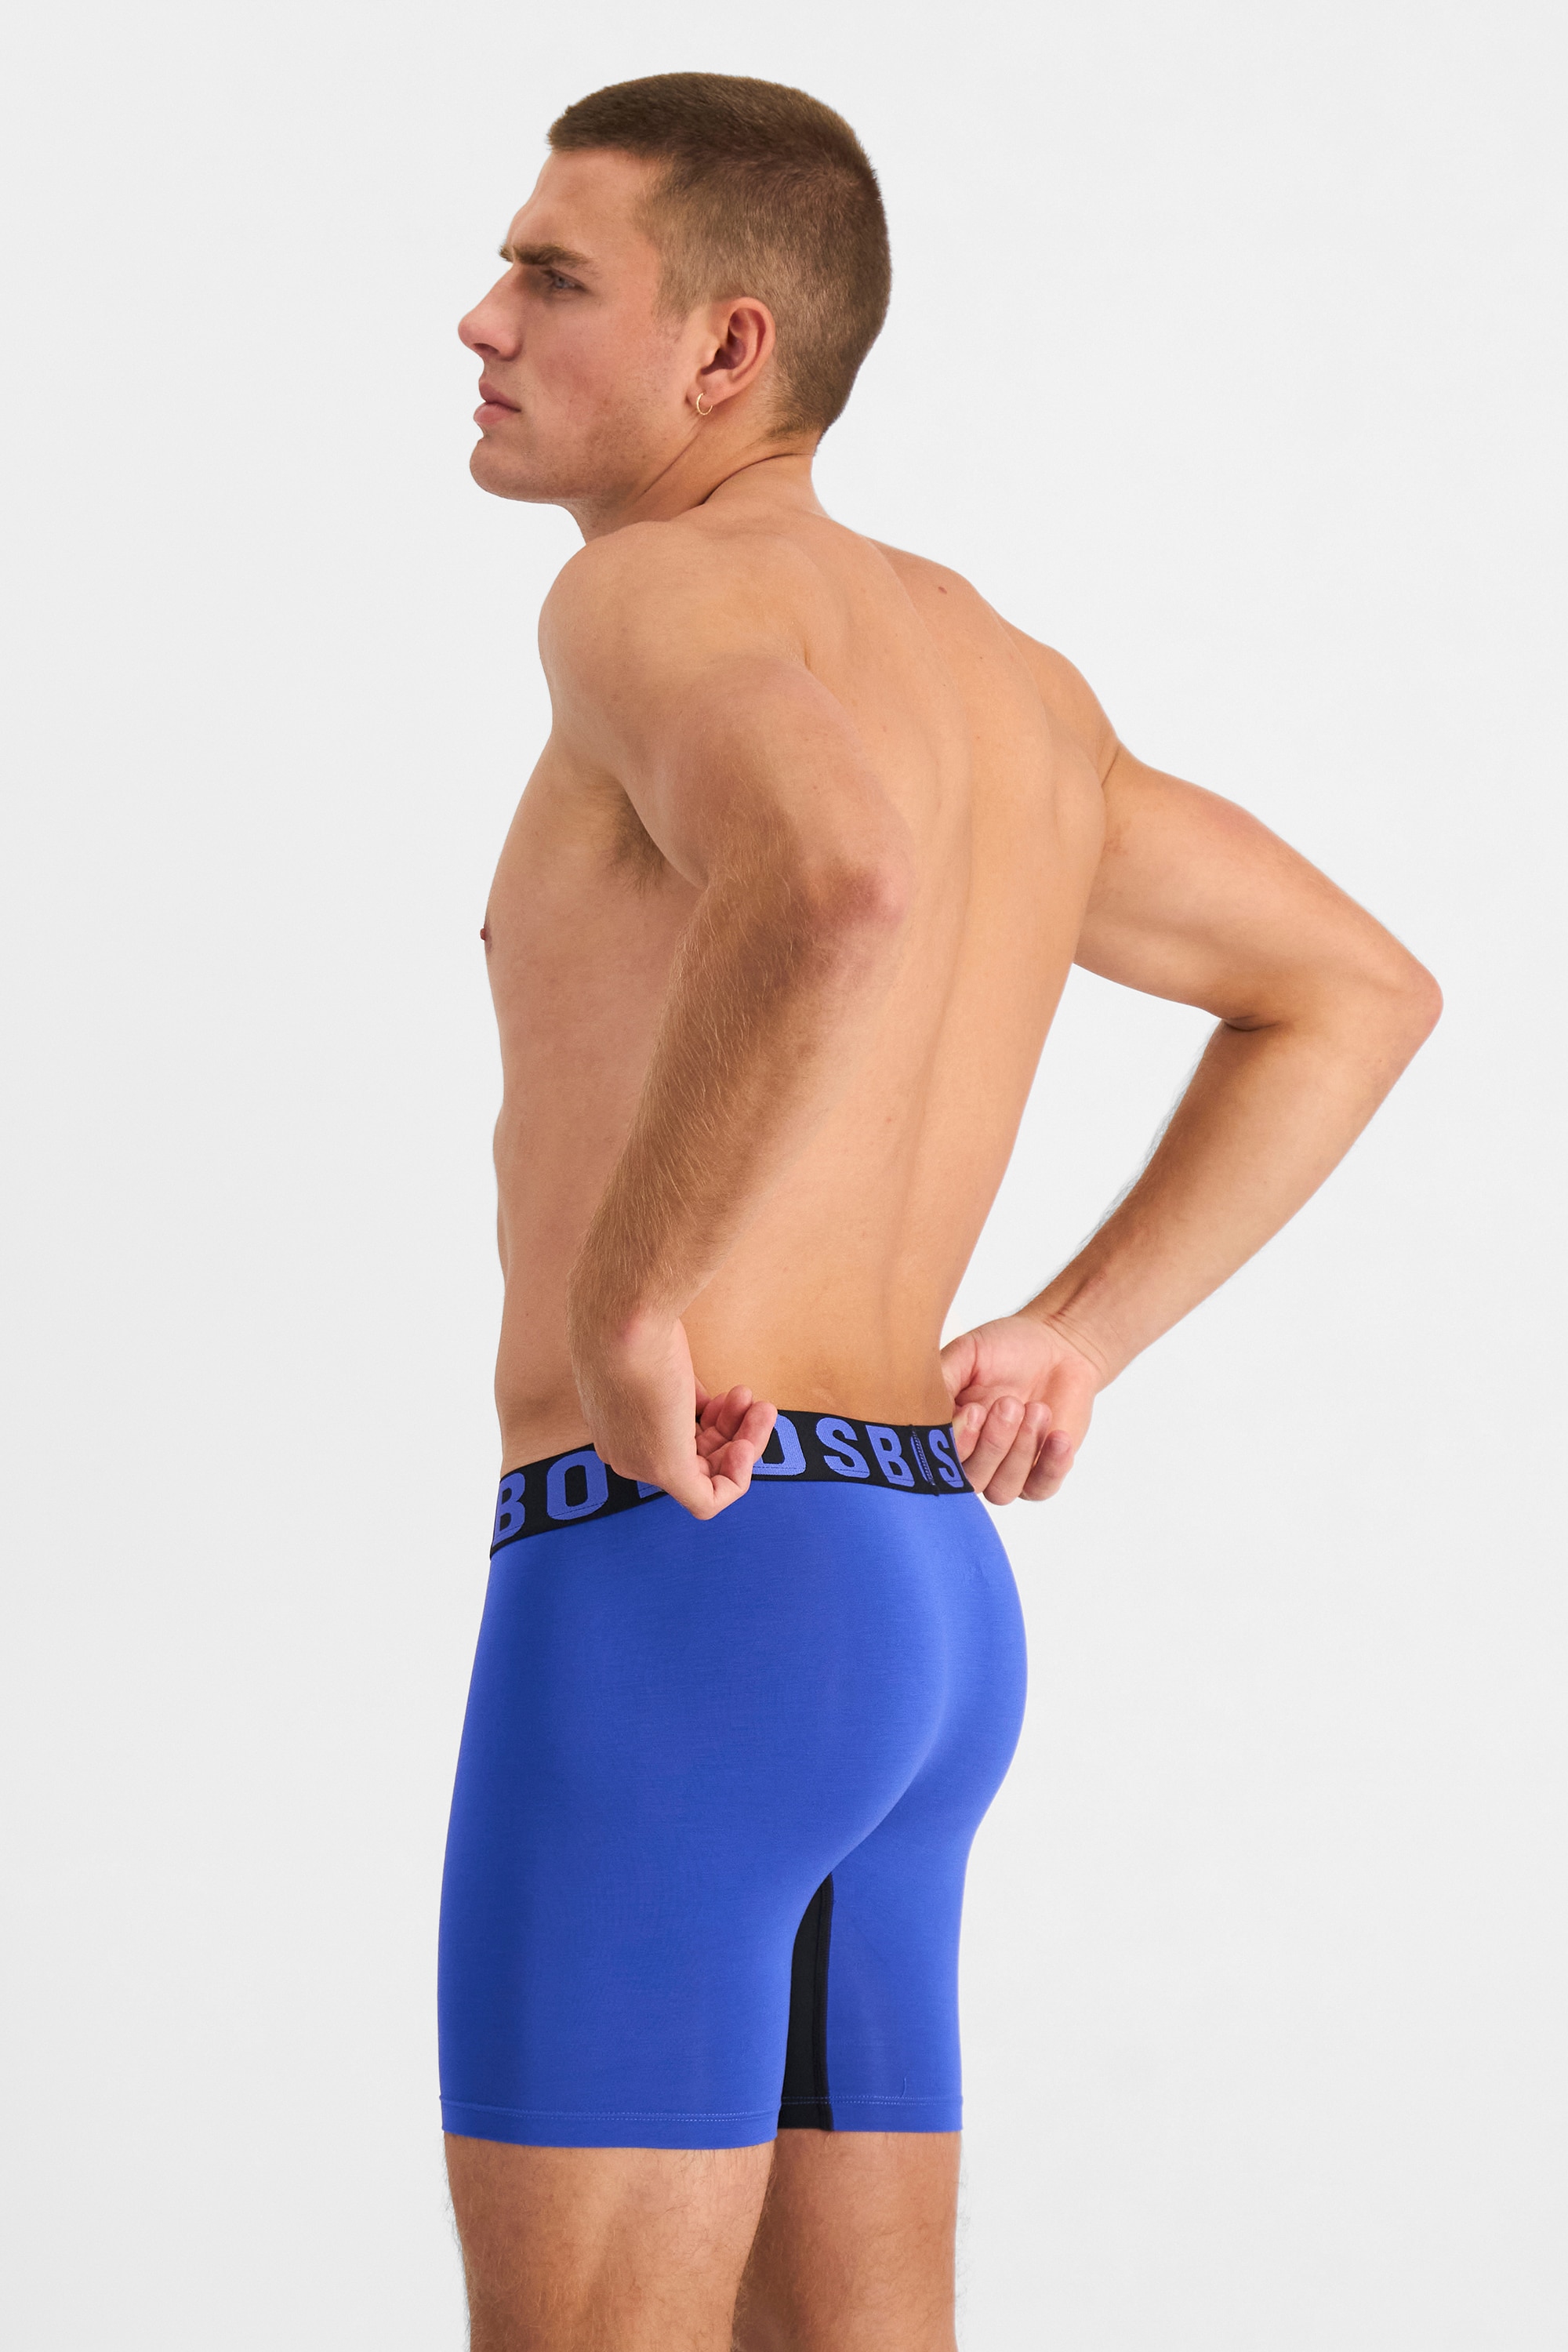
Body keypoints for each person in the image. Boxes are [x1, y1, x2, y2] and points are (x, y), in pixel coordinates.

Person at [438, 70, 1439, 2352]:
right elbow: (1352, 992)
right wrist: (1080, 1329)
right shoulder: (1012, 688)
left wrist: (632, 1303)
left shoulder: (644, 599)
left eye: (552, 276)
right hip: (915, 1598)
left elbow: (833, 877)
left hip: (677, 1570)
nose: (481, 318)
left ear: (729, 350)